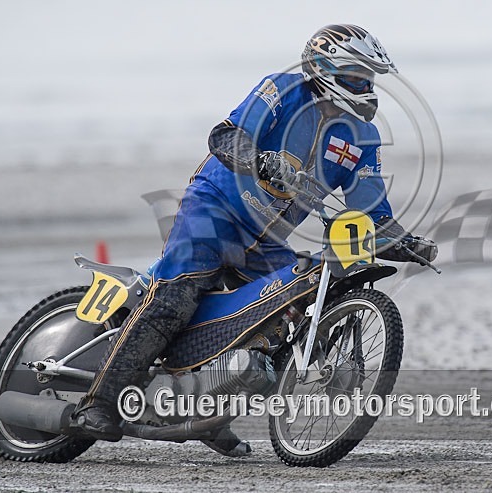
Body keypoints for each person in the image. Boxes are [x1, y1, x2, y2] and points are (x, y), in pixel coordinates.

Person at [73, 24, 437, 455]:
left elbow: (370, 212)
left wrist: (407, 241)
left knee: (288, 308)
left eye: (370, 78)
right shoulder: (281, 89)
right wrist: (258, 160)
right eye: (357, 75)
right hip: (214, 212)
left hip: (264, 243)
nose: (367, 87)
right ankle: (96, 404)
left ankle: (203, 408)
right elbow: (226, 135)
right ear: (324, 69)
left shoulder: (363, 138)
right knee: (174, 301)